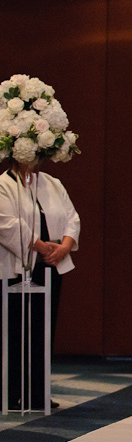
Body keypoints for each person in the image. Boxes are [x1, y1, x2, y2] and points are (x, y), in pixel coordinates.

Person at [0, 158, 80, 410]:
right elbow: (8, 224)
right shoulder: (4, 184)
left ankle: (37, 393)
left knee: (43, 328)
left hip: (51, 263)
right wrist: (42, 245)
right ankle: (9, 393)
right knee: (14, 329)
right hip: (17, 266)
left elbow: (72, 218)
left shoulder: (51, 183)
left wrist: (64, 246)